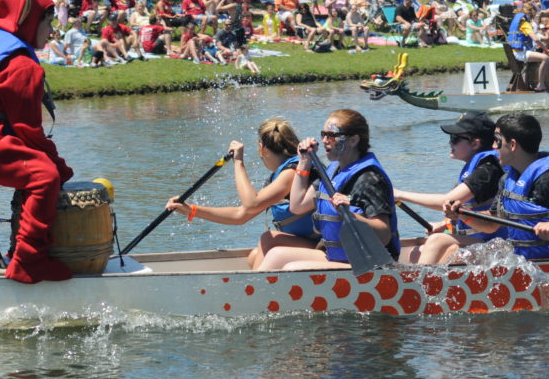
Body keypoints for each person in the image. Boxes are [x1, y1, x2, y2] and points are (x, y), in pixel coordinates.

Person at [444, 113, 549, 260]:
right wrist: (463, 214)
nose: (494, 146)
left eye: (498, 140)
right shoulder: (507, 179)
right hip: (525, 263)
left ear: (513, 145)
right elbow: (492, 224)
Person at [0, 0, 74, 283]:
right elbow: (29, 132)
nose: (52, 31)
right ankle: (28, 261)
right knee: (43, 176)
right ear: (28, 21)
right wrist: (59, 166)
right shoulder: (21, 65)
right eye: (48, 23)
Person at [258, 109, 400, 270]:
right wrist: (304, 162)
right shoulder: (333, 172)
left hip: (371, 263)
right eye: (323, 134)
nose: (324, 140)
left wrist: (351, 215)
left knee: (291, 267)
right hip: (339, 256)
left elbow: (384, 234)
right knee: (275, 254)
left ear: (353, 140)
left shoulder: (369, 178)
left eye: (331, 136)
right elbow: (297, 206)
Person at [166, 119, 310, 269]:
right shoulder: (280, 177)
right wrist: (192, 210)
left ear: (262, 149)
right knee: (254, 256)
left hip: (321, 245)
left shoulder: (293, 173)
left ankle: (255, 289)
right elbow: (241, 215)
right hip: (304, 242)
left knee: (269, 239)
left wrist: (239, 162)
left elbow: (251, 204)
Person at [396, 112, 505, 265]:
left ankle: (414, 287)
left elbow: (446, 201)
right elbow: (464, 209)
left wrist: (399, 194)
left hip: (497, 245)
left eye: (455, 139)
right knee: (407, 251)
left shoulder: (488, 170)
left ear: (475, 143)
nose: (450, 144)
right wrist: (445, 225)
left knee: (438, 241)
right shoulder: (476, 168)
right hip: (478, 240)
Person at [507, 5, 549, 91]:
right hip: (520, 53)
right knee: (545, 58)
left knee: (536, 58)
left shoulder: (519, 22)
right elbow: (535, 39)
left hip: (517, 52)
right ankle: (541, 85)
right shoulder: (525, 24)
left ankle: (527, 85)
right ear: (531, 13)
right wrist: (545, 49)